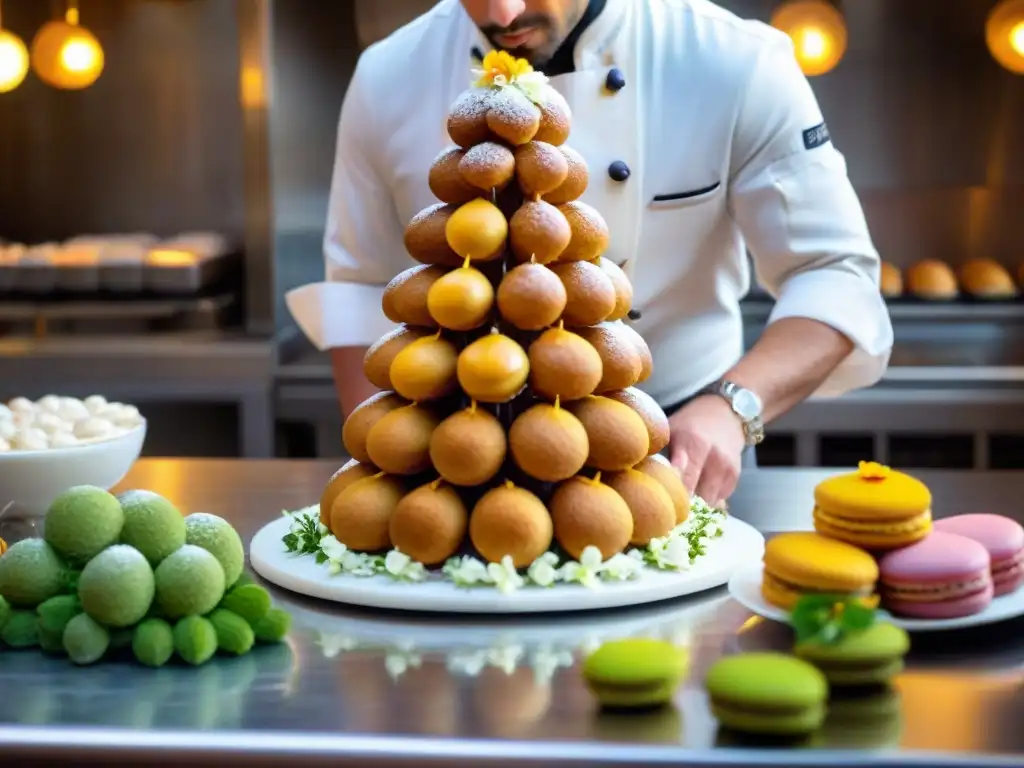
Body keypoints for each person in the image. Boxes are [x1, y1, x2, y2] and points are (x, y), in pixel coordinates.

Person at [286, 0, 894, 505]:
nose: (503, 13)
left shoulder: (734, 60)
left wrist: (730, 410)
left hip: (683, 448)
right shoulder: (387, 75)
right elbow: (363, 292)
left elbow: (834, 273)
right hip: (457, 461)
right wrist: (394, 458)